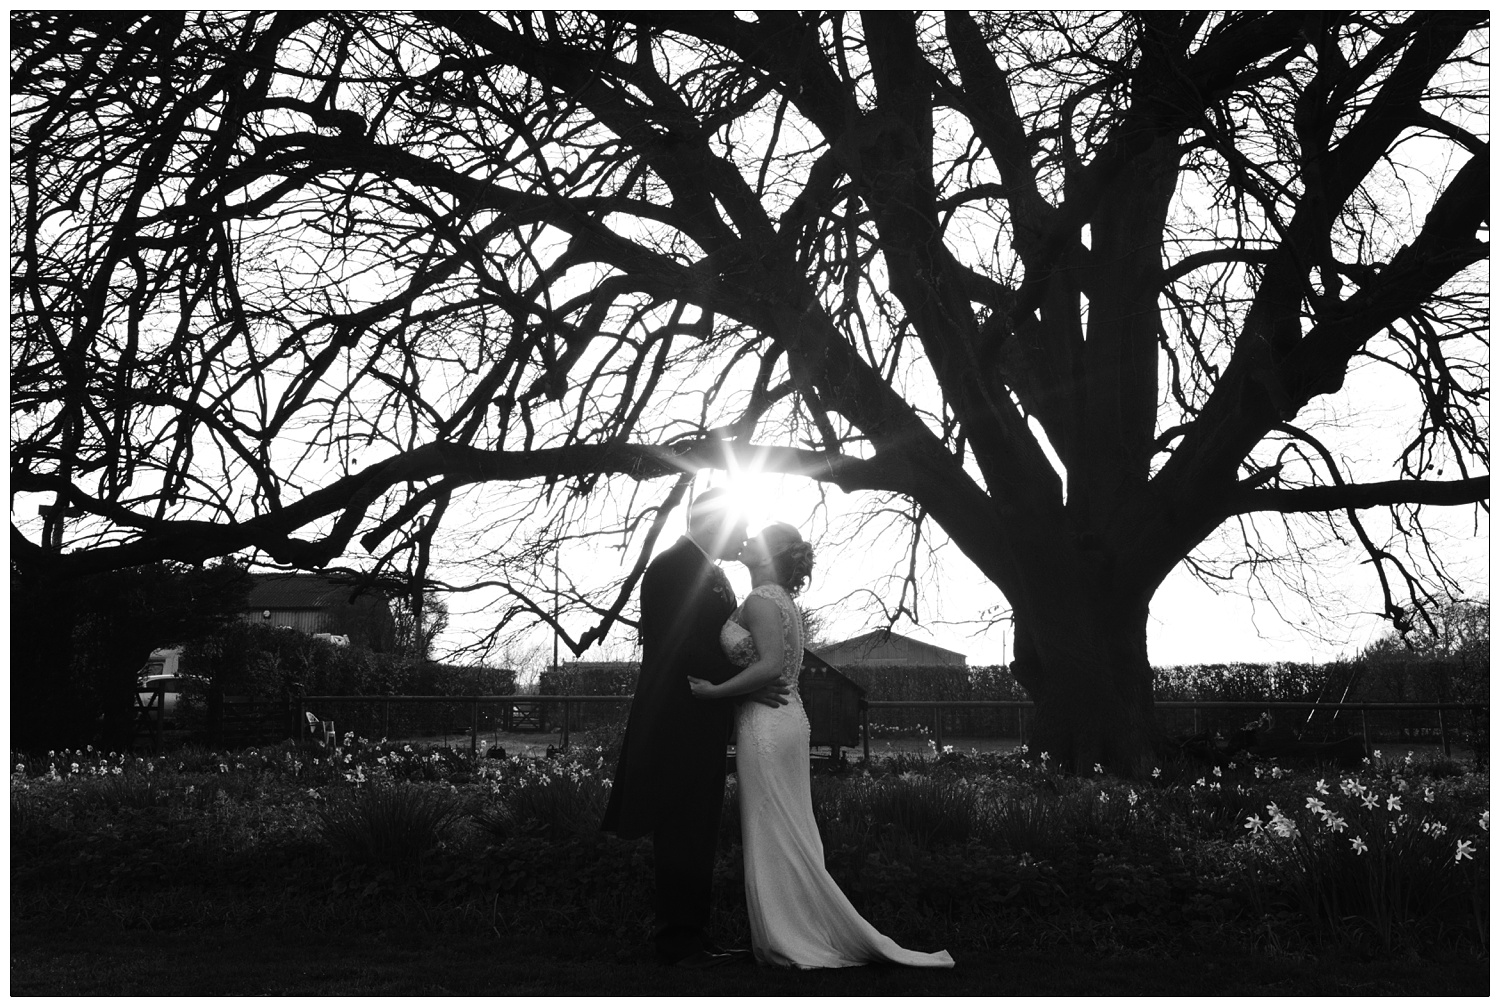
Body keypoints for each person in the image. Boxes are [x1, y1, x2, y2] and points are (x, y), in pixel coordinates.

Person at [688, 523, 955, 969]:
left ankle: (789, 936)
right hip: (784, 718)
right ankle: (791, 927)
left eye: (756, 539)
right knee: (782, 823)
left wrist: (716, 691)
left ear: (769, 554)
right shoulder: (779, 600)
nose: (747, 541)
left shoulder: (761, 599)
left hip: (768, 723)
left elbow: (772, 666)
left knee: (772, 825)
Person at [600, 488, 789, 969]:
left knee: (699, 832)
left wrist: (744, 682)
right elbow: (680, 646)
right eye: (740, 528)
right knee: (680, 832)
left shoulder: (712, 573)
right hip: (675, 722)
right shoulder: (670, 569)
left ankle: (696, 937)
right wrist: (743, 686)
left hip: (705, 720)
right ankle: (676, 942)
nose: (745, 537)